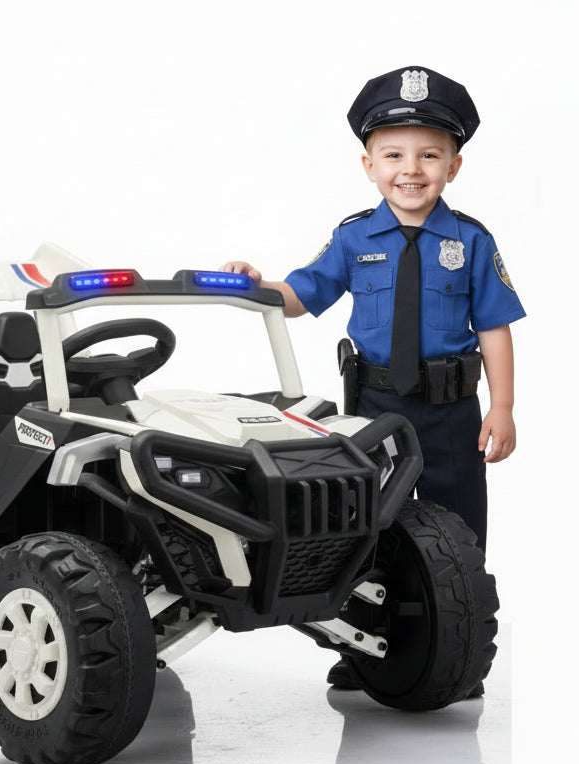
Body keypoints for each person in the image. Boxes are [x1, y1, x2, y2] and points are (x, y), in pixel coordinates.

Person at [221, 66, 524, 694]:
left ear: (454, 166)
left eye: (429, 155)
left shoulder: (471, 242)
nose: (411, 169)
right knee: (367, 528)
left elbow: (495, 327)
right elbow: (301, 295)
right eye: (393, 155)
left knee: (459, 531)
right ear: (368, 165)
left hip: (450, 412)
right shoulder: (354, 237)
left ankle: (456, 652)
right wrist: (257, 285)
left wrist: (503, 408)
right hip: (375, 408)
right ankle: (361, 649)